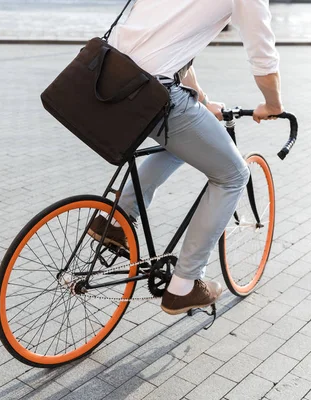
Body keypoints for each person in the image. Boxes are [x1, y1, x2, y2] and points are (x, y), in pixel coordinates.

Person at [87, 0, 283, 315]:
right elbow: (262, 53)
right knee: (233, 175)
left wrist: (202, 101)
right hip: (154, 92)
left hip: (109, 76)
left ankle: (114, 220)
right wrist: (273, 104)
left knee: (178, 144)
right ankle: (184, 285)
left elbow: (171, 47)